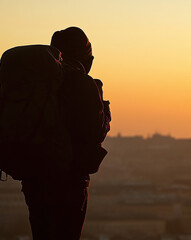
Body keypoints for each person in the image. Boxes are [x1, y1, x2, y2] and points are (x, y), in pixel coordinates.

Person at [21, 27, 111, 240]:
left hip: (35, 179)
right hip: (69, 181)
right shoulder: (82, 84)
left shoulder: (37, 84)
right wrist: (104, 111)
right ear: (84, 56)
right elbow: (96, 131)